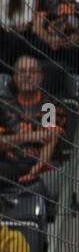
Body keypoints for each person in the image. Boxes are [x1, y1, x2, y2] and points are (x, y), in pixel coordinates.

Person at [0, 56, 65, 190]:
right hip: (11, 166)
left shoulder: (50, 104)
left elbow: (52, 137)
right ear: (15, 77)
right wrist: (30, 136)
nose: (27, 76)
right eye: (22, 72)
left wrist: (38, 167)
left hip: (43, 168)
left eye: (33, 71)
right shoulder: (4, 105)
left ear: (40, 77)